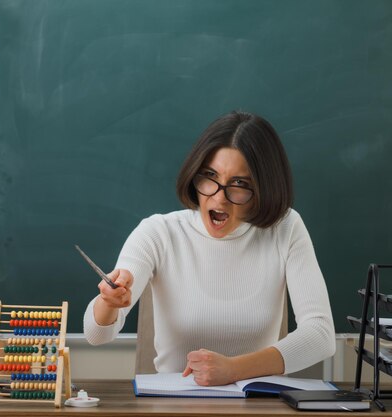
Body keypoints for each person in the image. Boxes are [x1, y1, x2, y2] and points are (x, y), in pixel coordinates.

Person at [84, 110, 335, 386]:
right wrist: (108, 302)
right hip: (172, 406)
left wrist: (234, 369)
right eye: (210, 176)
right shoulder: (158, 232)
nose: (219, 198)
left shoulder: (285, 228)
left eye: (239, 184)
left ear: (264, 189)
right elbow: (97, 335)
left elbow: (321, 335)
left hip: (257, 405)